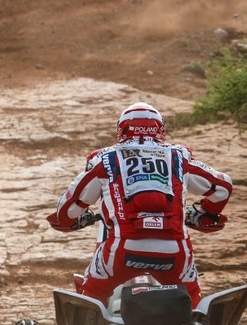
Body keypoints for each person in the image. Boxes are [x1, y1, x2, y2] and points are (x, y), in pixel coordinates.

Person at [46, 102, 232, 308]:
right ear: (160, 130)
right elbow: (223, 187)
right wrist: (205, 214)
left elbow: (69, 206)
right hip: (174, 250)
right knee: (193, 302)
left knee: (93, 293)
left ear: (121, 129)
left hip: (122, 248)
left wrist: (68, 220)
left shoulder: (105, 159)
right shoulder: (178, 157)